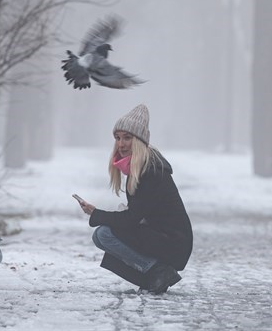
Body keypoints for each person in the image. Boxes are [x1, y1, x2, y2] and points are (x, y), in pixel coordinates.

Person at [77, 104, 193, 294]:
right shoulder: (142, 167)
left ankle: (157, 271)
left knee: (104, 234)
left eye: (127, 138)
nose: (121, 144)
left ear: (139, 140)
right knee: (100, 235)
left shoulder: (151, 171)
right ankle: (152, 275)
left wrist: (96, 213)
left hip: (172, 243)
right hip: (163, 237)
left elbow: (131, 219)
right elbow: (140, 214)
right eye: (118, 138)